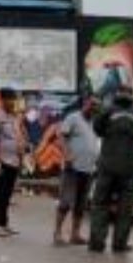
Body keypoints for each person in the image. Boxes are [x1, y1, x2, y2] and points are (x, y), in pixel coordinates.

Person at [89, 85, 133, 254]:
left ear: (117, 94)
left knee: (100, 203)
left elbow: (97, 130)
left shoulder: (107, 111)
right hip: (128, 167)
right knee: (125, 207)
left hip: (107, 165)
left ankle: (97, 243)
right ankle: (120, 244)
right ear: (131, 96)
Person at [55, 95, 99, 246]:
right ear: (85, 103)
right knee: (66, 202)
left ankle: (75, 234)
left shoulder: (93, 122)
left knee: (81, 205)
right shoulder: (73, 118)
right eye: (92, 104)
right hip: (73, 168)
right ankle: (57, 233)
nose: (94, 108)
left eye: (96, 106)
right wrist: (67, 154)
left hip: (88, 169)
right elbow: (60, 136)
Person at [0, 88, 28, 238]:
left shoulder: (14, 117)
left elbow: (20, 135)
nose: (13, 102)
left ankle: (5, 223)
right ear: (3, 100)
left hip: (14, 161)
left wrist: (22, 155)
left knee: (8, 195)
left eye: (14, 99)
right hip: (1, 161)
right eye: (11, 99)